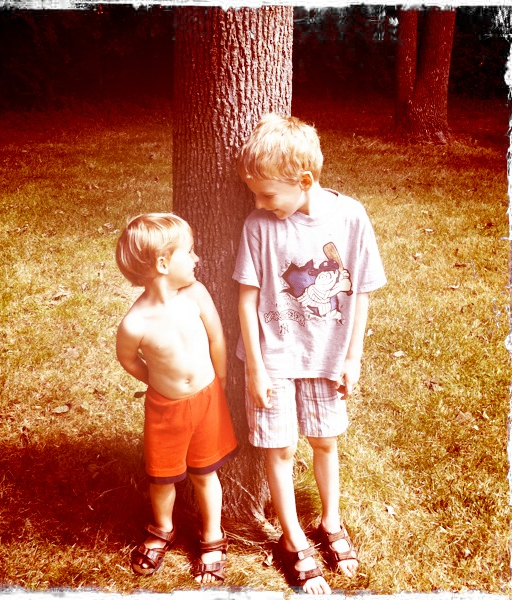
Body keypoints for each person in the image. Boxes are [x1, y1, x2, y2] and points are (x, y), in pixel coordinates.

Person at [233, 113, 386, 594]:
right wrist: (256, 368)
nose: (259, 203)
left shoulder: (351, 217)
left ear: (303, 180)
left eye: (266, 194)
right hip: (274, 358)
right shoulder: (258, 226)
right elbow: (246, 299)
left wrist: (353, 357)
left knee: (325, 441)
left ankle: (330, 522)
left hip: (328, 356)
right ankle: (293, 539)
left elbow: (362, 291)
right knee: (279, 448)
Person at [115, 213, 238, 585]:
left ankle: (212, 536)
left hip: (207, 399)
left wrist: (220, 379)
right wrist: (155, 379)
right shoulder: (135, 322)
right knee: (162, 476)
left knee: (205, 472)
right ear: (163, 264)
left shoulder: (196, 294)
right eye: (189, 251)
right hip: (165, 409)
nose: (197, 258)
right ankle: (162, 530)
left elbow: (216, 337)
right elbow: (127, 359)